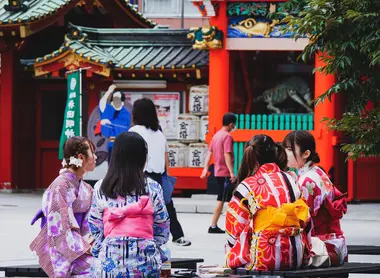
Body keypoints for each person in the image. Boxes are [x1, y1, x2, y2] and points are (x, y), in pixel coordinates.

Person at [88, 132, 170, 277]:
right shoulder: (152, 187)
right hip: (145, 262)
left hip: (109, 262)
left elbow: (94, 226)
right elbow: (162, 228)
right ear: (142, 158)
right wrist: (147, 244)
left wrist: (108, 244)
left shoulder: (101, 187)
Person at [225, 134, 311, 271]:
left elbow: (234, 230)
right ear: (275, 153)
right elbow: (306, 220)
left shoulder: (247, 185)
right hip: (296, 255)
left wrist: (231, 254)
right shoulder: (292, 180)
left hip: (264, 257)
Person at [30, 136, 97, 277]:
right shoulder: (60, 186)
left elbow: (89, 224)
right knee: (96, 270)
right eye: (92, 152)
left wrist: (90, 243)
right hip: (63, 248)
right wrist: (85, 247)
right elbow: (59, 229)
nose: (96, 157)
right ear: (81, 157)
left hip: (81, 245)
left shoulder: (87, 189)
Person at [129, 98, 191, 247]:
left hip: (139, 176)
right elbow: (166, 156)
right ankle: (177, 236)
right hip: (159, 176)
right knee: (167, 207)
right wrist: (167, 176)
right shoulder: (159, 133)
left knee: (140, 208)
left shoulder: (133, 132)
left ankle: (141, 235)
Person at [283, 130, 347, 267]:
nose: (285, 153)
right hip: (333, 244)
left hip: (322, 248)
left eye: (289, 149)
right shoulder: (316, 171)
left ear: (306, 154)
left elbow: (301, 219)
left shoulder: (307, 180)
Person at [201, 112, 237, 234]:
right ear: (231, 124)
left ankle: (215, 225)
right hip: (224, 173)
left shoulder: (216, 136)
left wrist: (205, 168)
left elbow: (209, 153)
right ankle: (213, 225)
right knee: (223, 199)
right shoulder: (227, 137)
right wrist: (232, 172)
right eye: (234, 125)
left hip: (217, 171)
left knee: (223, 198)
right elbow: (227, 154)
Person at [98, 84, 131, 162]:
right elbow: (102, 103)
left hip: (123, 145)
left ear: (122, 102)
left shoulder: (126, 113)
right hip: (112, 145)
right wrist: (109, 91)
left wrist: (109, 123)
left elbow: (124, 127)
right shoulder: (109, 109)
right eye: (114, 98)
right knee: (111, 167)